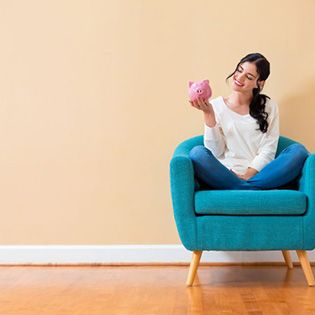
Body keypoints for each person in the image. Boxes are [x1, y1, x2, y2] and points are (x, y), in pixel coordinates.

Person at [188, 53, 309, 190]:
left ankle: (242, 187)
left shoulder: (268, 106)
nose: (239, 78)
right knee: (197, 153)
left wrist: (248, 175)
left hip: (259, 175)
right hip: (225, 174)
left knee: (299, 151)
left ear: (260, 83)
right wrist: (208, 113)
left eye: (249, 77)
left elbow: (268, 149)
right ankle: (249, 189)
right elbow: (215, 152)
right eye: (239, 70)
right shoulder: (215, 106)